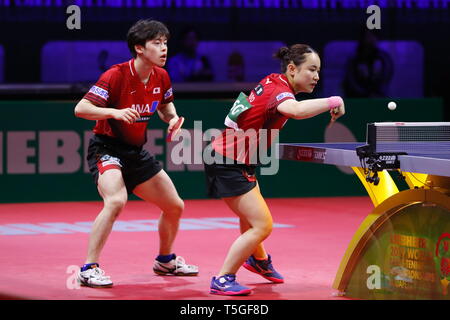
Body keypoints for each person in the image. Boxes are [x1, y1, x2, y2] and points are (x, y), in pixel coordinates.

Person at [204, 44, 345, 296]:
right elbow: (296, 111)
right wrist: (334, 100)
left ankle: (258, 260)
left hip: (233, 158)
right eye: (312, 69)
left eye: (319, 71)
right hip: (227, 161)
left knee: (250, 218)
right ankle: (223, 278)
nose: (317, 76)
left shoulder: (273, 80)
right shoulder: (280, 91)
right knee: (263, 224)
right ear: (292, 69)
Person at [74, 19, 198, 288]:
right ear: (139, 48)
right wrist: (113, 112)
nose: (164, 48)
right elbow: (81, 109)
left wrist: (174, 119)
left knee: (174, 206)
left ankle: (165, 260)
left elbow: (166, 107)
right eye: (157, 43)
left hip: (135, 152)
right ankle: (88, 268)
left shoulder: (161, 76)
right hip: (106, 148)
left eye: (165, 42)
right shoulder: (115, 75)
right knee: (116, 201)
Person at [343, 29, 394, 98]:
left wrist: (377, 93)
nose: (370, 39)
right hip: (356, 98)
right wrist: (365, 94)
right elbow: (350, 79)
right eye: (367, 36)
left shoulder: (383, 58)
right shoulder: (354, 58)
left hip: (378, 97)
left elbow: (387, 77)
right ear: (362, 38)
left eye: (372, 36)